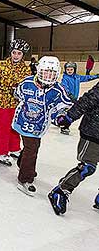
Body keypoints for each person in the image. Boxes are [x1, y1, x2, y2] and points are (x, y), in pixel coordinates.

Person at [12, 56, 72, 196]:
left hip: (39, 125)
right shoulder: (27, 82)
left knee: (31, 148)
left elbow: (63, 105)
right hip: (22, 121)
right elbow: (17, 94)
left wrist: (61, 116)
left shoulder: (57, 90)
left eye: (52, 73)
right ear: (39, 71)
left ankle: (23, 164)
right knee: (31, 148)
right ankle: (25, 179)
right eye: (45, 72)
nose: (48, 76)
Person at [48, 81, 99, 215]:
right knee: (88, 167)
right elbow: (88, 100)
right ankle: (61, 190)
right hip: (93, 133)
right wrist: (69, 117)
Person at [0, 39, 31, 166]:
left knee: (15, 126)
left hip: (17, 102)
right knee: (3, 127)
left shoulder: (26, 69)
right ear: (10, 52)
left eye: (19, 53)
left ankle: (14, 148)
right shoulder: (1, 66)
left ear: (23, 54)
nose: (16, 55)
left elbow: (26, 84)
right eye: (14, 52)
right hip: (2, 101)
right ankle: (1, 152)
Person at [59, 61, 99, 135]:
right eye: (68, 70)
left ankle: (61, 121)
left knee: (70, 112)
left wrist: (96, 76)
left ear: (74, 69)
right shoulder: (65, 78)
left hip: (74, 98)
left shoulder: (77, 77)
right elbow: (64, 86)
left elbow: (86, 78)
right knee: (67, 112)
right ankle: (64, 127)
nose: (69, 71)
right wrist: (69, 94)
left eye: (71, 69)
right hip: (67, 99)